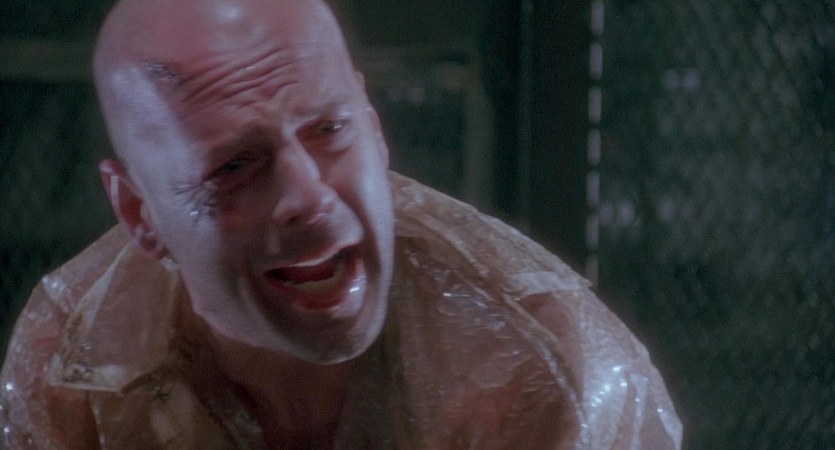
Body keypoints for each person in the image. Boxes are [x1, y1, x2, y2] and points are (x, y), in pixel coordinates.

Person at [0, 0, 682, 448]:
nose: (310, 196)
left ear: (374, 127)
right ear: (139, 213)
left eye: (328, 130)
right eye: (234, 166)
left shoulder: (530, 367)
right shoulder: (72, 370)